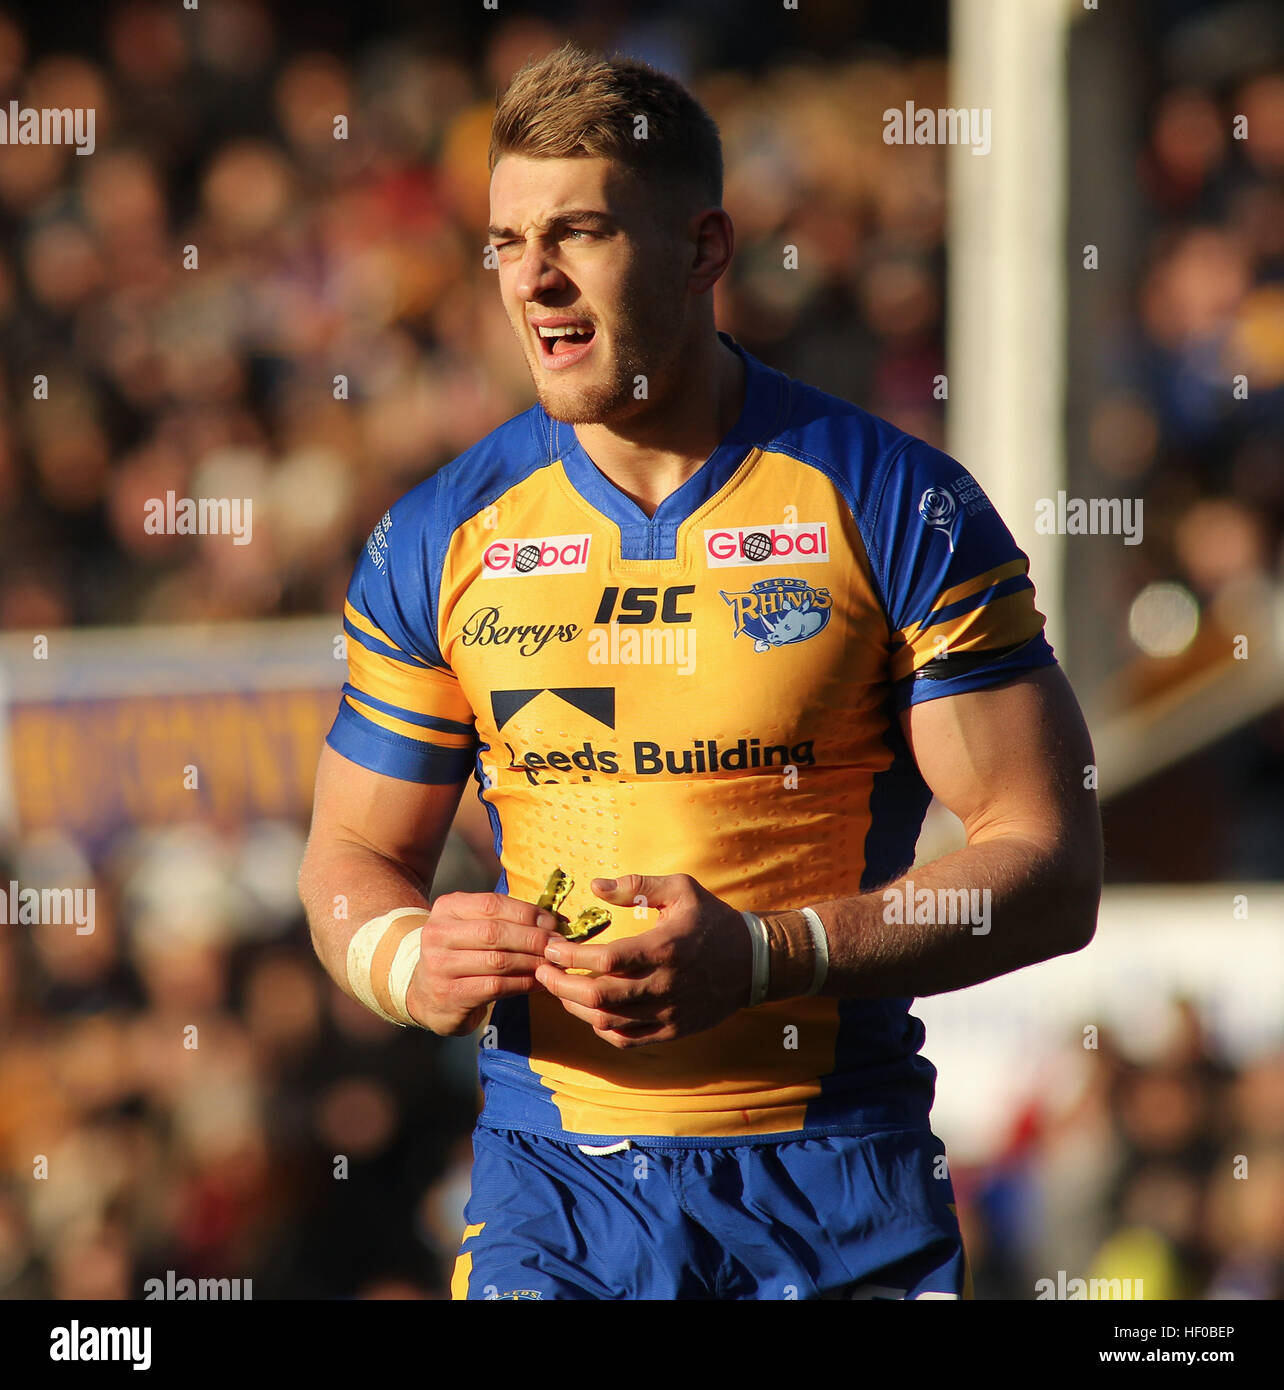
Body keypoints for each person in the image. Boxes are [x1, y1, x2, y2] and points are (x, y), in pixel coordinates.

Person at [298, 42, 1102, 1301]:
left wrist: (767, 955)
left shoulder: (895, 503)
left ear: (703, 249)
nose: (534, 279)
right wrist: (406, 960)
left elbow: (1053, 869)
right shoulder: (438, 536)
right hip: (551, 1194)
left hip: (836, 1183)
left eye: (579, 232)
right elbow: (349, 864)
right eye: (506, 242)